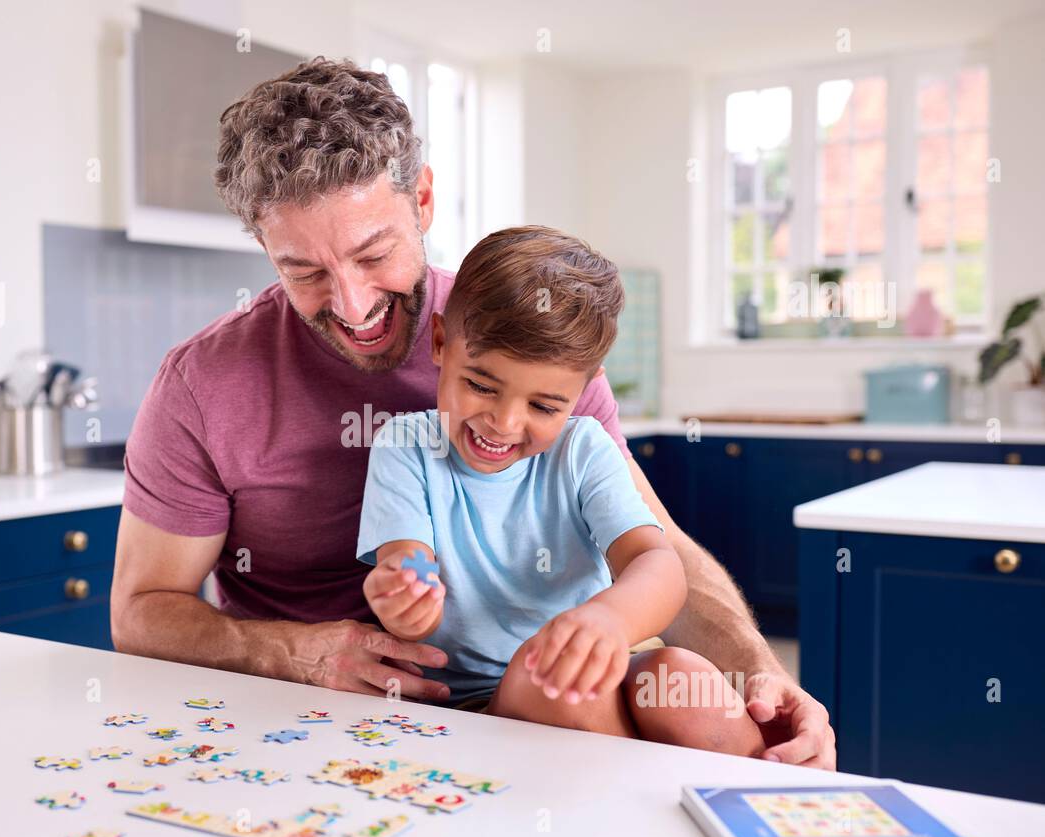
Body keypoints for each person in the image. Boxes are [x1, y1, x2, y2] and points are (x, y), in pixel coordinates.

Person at [111, 56, 835, 768]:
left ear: (422, 201)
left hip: (543, 700)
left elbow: (654, 549)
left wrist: (761, 679)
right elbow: (141, 610)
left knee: (678, 695)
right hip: (330, 732)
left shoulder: (526, 337)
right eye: (303, 271)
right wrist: (293, 654)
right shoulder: (203, 384)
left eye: (373, 255)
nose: (354, 306)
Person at [357, 225, 764, 754]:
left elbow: (657, 564)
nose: (502, 422)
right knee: (552, 677)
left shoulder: (584, 449)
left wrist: (610, 620)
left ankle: (768, 800)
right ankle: (642, 810)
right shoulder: (406, 446)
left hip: (605, 674)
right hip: (478, 705)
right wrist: (407, 601)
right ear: (440, 344)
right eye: (480, 385)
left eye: (544, 406)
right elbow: (409, 564)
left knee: (681, 675)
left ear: (586, 387)